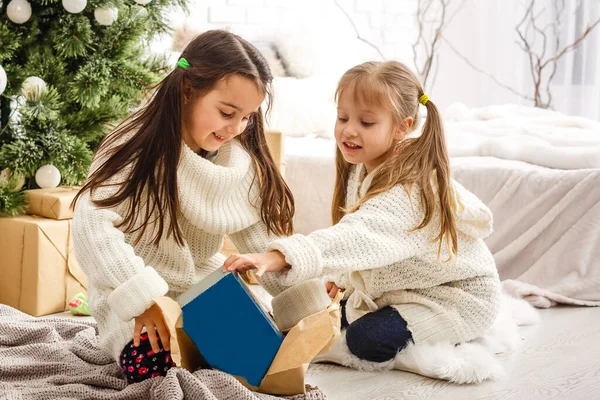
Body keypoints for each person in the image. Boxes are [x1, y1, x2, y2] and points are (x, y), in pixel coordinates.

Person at [224, 60, 501, 366]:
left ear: (402, 128)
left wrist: (278, 256)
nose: (349, 130)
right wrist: (341, 280)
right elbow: (369, 244)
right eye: (343, 118)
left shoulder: (411, 190)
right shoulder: (364, 167)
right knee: (314, 314)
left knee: (364, 340)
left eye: (366, 123)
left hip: (455, 298)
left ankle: (452, 332)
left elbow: (361, 233)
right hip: (405, 290)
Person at [72, 30, 294, 384]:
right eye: (226, 112)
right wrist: (141, 297)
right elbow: (91, 224)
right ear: (187, 89)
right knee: (155, 370)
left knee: (264, 359)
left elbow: (261, 237)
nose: (236, 128)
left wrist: (307, 297)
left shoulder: (235, 161)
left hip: (201, 288)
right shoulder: (136, 143)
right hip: (133, 292)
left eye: (247, 117)